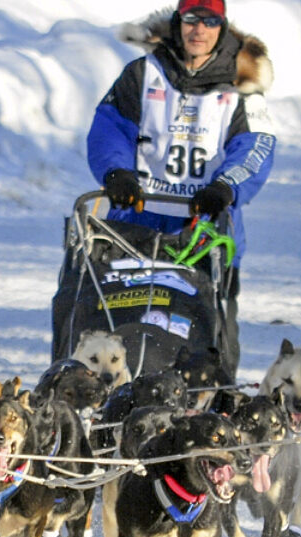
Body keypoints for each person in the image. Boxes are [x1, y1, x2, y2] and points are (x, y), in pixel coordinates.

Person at [85, 0, 276, 377]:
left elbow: (256, 148)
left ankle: (214, 404)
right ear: (178, 22)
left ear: (222, 26)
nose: (198, 30)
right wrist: (116, 172)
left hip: (205, 230)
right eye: (191, 19)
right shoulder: (142, 74)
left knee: (210, 335)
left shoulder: (242, 88)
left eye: (209, 21)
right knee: (114, 321)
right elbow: (109, 128)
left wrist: (225, 187)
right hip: (135, 223)